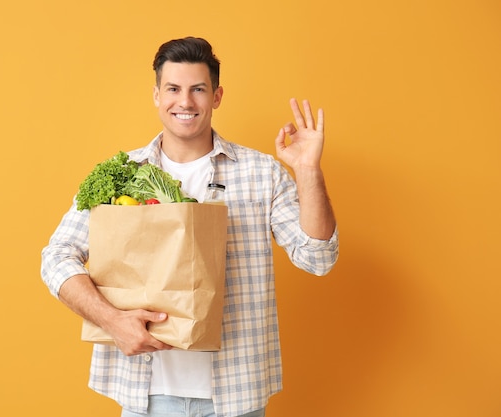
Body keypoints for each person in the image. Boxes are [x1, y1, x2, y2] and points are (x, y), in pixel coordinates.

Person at [41, 36, 338, 417]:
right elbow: (56, 257)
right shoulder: (121, 173)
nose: (185, 102)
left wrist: (308, 170)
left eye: (198, 89)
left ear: (216, 96)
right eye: (174, 89)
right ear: (156, 95)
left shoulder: (261, 173)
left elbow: (318, 258)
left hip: (235, 395)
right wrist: (111, 320)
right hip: (144, 395)